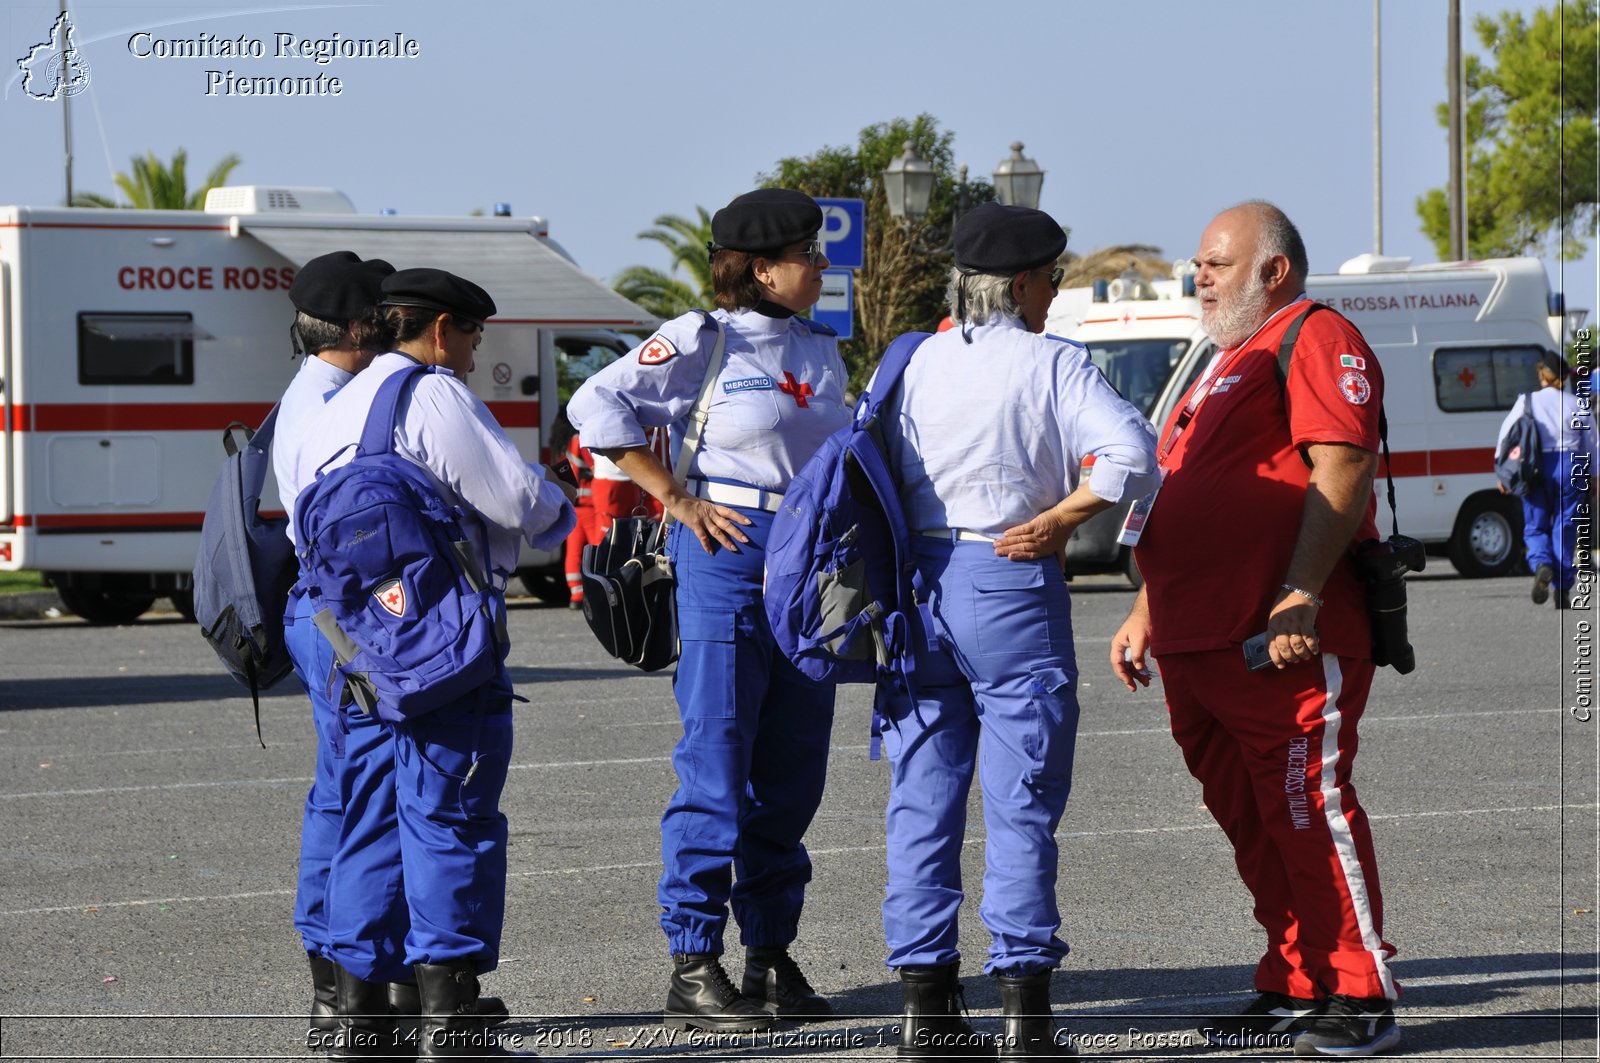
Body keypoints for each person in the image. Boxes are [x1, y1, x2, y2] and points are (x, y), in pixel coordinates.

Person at [1109, 201, 1402, 1058]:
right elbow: (1179, 497)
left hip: (1277, 637)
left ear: (1274, 270)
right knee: (1254, 817)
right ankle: (1297, 979)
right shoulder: (1221, 360)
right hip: (1199, 641)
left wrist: (1298, 592)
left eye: (1216, 263)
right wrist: (1145, 609)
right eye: (1198, 264)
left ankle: (1361, 992)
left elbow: (1342, 463)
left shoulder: (1310, 334)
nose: (1198, 277)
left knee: (1309, 808)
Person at [874, 202, 1159, 1060]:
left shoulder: (912, 361)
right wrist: (1062, 517)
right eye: (1054, 280)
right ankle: (1026, 1016)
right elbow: (1135, 457)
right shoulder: (1051, 362)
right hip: (1008, 572)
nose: (1054, 295)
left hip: (918, 581)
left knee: (921, 795)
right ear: (1027, 283)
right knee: (1021, 797)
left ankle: (927, 1009)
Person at [567, 188, 848, 1033]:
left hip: (805, 562)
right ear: (763, 269)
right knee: (718, 759)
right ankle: (693, 960)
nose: (822, 264)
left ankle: (768, 954)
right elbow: (594, 406)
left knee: (793, 767)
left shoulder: (821, 346)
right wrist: (673, 498)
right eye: (809, 251)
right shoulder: (700, 338)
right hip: (725, 553)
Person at [295, 267, 576, 1058]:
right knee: (452, 815)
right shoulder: (431, 393)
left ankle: (357, 1010)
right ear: (442, 328)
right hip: (443, 648)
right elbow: (520, 503)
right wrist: (564, 509)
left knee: (368, 817)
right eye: (474, 335)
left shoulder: (331, 405)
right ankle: (452, 1012)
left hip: (355, 645)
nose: (474, 351)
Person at [271, 250, 402, 1046]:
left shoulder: (309, 391)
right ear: (357, 327)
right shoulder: (341, 403)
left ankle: (333, 978)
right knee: (366, 798)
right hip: (345, 615)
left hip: (316, 611)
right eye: (382, 316)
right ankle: (353, 990)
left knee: (338, 793)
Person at [1497, 350, 1596, 608]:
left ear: (1542, 375)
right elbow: (1592, 445)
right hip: (1571, 465)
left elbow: (1506, 436)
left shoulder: (1526, 401)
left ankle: (1541, 563)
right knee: (1565, 526)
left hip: (1535, 465)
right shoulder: (1578, 404)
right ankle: (1562, 589)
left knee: (1535, 524)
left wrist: (1502, 472)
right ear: (1564, 377)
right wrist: (1594, 477)